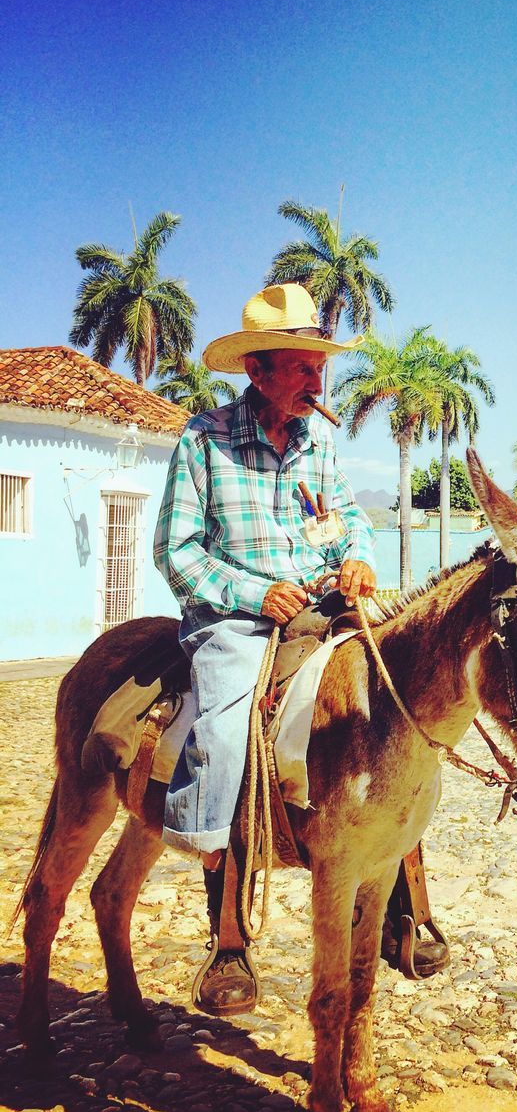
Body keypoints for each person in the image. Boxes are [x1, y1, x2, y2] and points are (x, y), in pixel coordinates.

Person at [155, 283, 385, 1016]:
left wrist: (358, 561)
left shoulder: (318, 443)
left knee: (398, 707)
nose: (318, 384)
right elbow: (177, 551)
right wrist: (256, 596)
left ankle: (406, 899)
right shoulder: (204, 438)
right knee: (224, 725)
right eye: (303, 369)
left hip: (320, 608)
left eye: (321, 369)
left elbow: (350, 520)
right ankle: (225, 926)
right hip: (235, 619)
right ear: (257, 373)